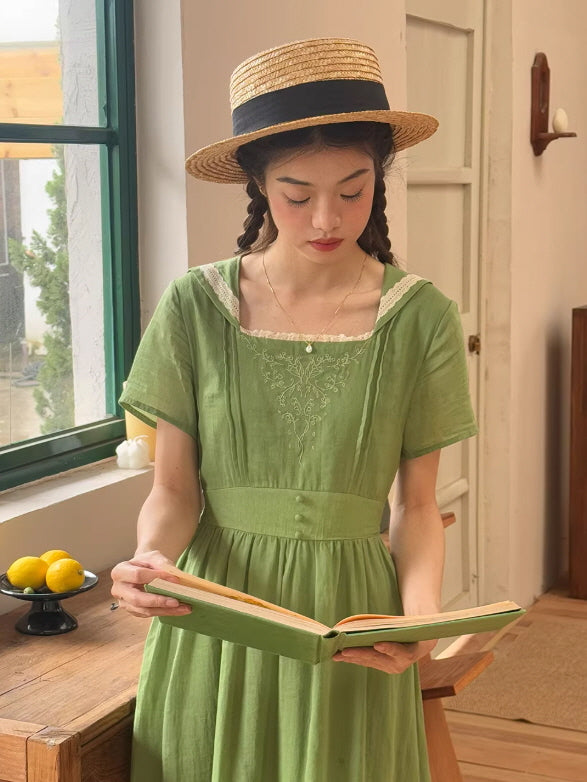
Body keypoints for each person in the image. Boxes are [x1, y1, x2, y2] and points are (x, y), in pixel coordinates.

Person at [111, 37, 478, 782]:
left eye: (352, 190)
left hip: (350, 627)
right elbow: (175, 491)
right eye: (295, 194)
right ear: (256, 184)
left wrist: (418, 618)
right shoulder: (194, 306)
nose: (324, 218)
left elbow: (413, 508)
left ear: (380, 174)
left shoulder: (420, 318)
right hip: (216, 614)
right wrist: (152, 559)